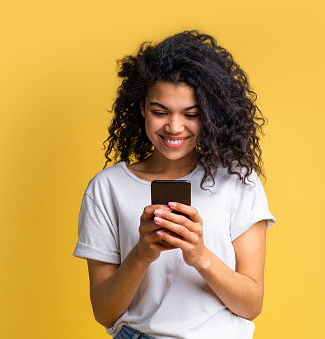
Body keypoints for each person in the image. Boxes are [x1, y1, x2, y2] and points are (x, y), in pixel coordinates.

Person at [73, 30, 276, 339]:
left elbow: (251, 304)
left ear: (209, 115)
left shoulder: (237, 181)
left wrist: (201, 256)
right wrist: (141, 254)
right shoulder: (107, 188)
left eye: (191, 114)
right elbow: (104, 311)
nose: (174, 127)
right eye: (160, 112)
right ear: (141, 108)